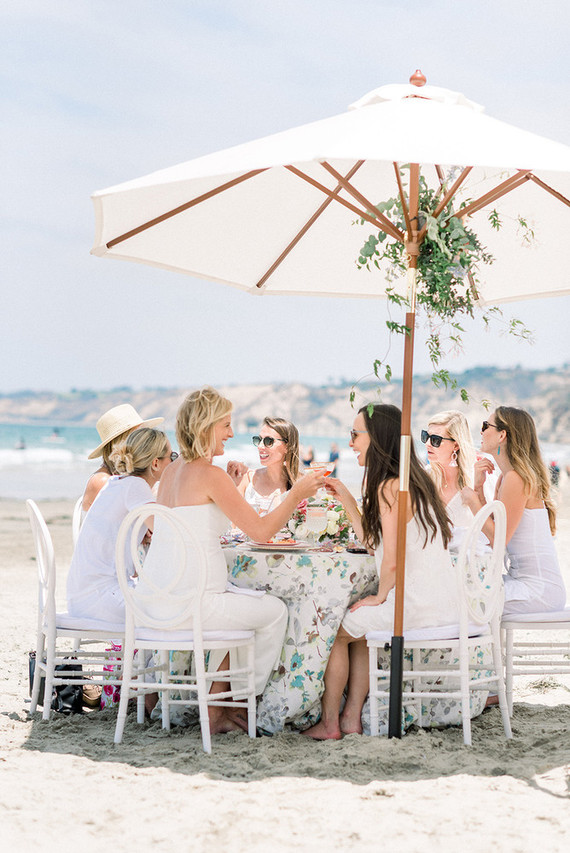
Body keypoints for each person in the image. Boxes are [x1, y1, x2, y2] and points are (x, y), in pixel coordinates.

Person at [141, 386, 325, 735]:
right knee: (275, 612)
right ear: (206, 426)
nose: (232, 433)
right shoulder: (209, 474)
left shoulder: (171, 472)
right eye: (225, 424)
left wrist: (235, 486)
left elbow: (201, 521)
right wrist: (297, 494)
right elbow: (260, 532)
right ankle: (231, 703)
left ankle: (220, 701)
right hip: (197, 606)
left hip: (159, 603)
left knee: (242, 607)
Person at [303, 403, 457, 740]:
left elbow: (391, 560)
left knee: (337, 632)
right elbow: (376, 545)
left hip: (414, 608)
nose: (350, 443)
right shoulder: (411, 483)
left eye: (355, 435)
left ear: (378, 439)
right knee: (357, 632)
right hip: (441, 603)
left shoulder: (390, 487)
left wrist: (380, 595)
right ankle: (350, 719)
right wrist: (345, 496)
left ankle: (331, 722)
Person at [461, 406, 566, 616]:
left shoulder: (516, 478)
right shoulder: (506, 477)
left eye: (485, 426)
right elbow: (492, 534)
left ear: (502, 435)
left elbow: (499, 540)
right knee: (462, 590)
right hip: (523, 583)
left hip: (538, 591)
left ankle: (476, 650)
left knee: (463, 600)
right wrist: (479, 490)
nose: (481, 431)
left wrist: (473, 501)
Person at [67, 427, 174, 623]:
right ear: (156, 463)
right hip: (100, 599)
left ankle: (141, 654)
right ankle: (143, 654)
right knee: (175, 610)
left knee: (169, 606)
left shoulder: (117, 482)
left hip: (85, 595)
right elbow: (168, 533)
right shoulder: (136, 486)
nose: (174, 462)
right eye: (172, 457)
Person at [82, 403, 164, 514]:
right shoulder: (102, 481)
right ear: (122, 441)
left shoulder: (128, 478)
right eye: (138, 436)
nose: (145, 442)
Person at [422, 410, 477, 549]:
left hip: (465, 567)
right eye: (426, 436)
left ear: (456, 445)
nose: (427, 443)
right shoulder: (422, 479)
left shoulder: (477, 481)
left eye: (435, 440)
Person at [234, 416, 301, 513]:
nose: (260, 446)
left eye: (268, 441)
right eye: (259, 440)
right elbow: (234, 524)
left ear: (287, 446)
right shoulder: (247, 479)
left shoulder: (301, 483)